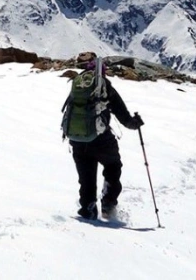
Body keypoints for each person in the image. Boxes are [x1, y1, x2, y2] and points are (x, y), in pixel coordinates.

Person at [61, 52, 144, 221]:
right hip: (101, 140)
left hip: (77, 139)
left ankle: (87, 208)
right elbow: (122, 114)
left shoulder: (77, 85)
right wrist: (134, 123)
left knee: (86, 177)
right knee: (113, 166)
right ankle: (108, 203)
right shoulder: (103, 85)